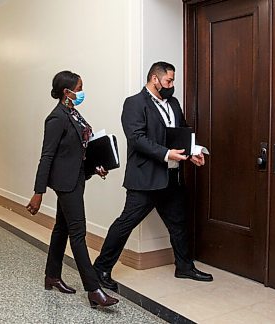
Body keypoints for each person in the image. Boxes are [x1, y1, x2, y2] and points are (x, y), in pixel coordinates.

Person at [93, 62, 213, 291]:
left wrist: (194, 152)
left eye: (173, 81)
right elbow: (136, 138)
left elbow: (183, 131)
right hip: (145, 180)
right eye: (168, 80)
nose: (172, 85)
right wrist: (167, 153)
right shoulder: (134, 103)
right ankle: (101, 268)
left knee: (179, 223)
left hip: (172, 178)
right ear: (155, 79)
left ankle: (184, 267)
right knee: (125, 224)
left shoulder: (174, 103)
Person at [26, 71, 119, 308]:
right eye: (79, 88)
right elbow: (46, 156)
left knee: (61, 229)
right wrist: (38, 193)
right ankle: (94, 289)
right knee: (78, 233)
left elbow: (78, 149)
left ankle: (52, 276)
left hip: (78, 178)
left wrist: (95, 166)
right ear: (67, 92)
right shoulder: (56, 118)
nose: (82, 92)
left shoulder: (73, 113)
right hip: (66, 183)